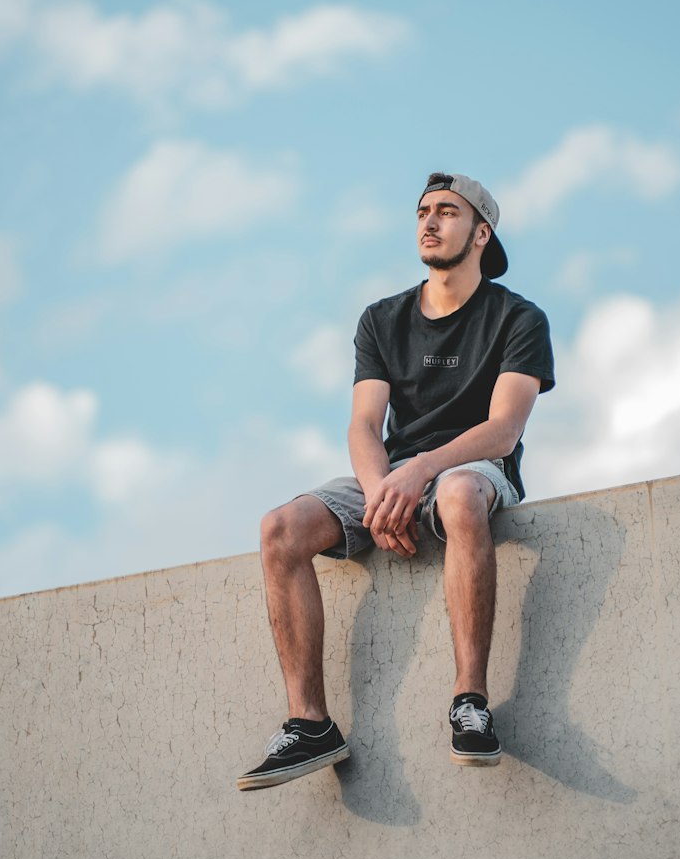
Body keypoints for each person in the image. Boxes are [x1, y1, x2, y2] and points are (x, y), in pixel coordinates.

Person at [237, 172, 554, 791]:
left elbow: (504, 429)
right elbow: (362, 424)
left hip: (469, 468)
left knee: (461, 496)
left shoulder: (519, 317)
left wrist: (419, 470)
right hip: (394, 473)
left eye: (447, 212)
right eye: (422, 212)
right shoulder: (382, 319)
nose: (429, 222)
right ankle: (310, 724)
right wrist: (384, 490)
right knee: (281, 528)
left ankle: (471, 702)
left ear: (481, 232)